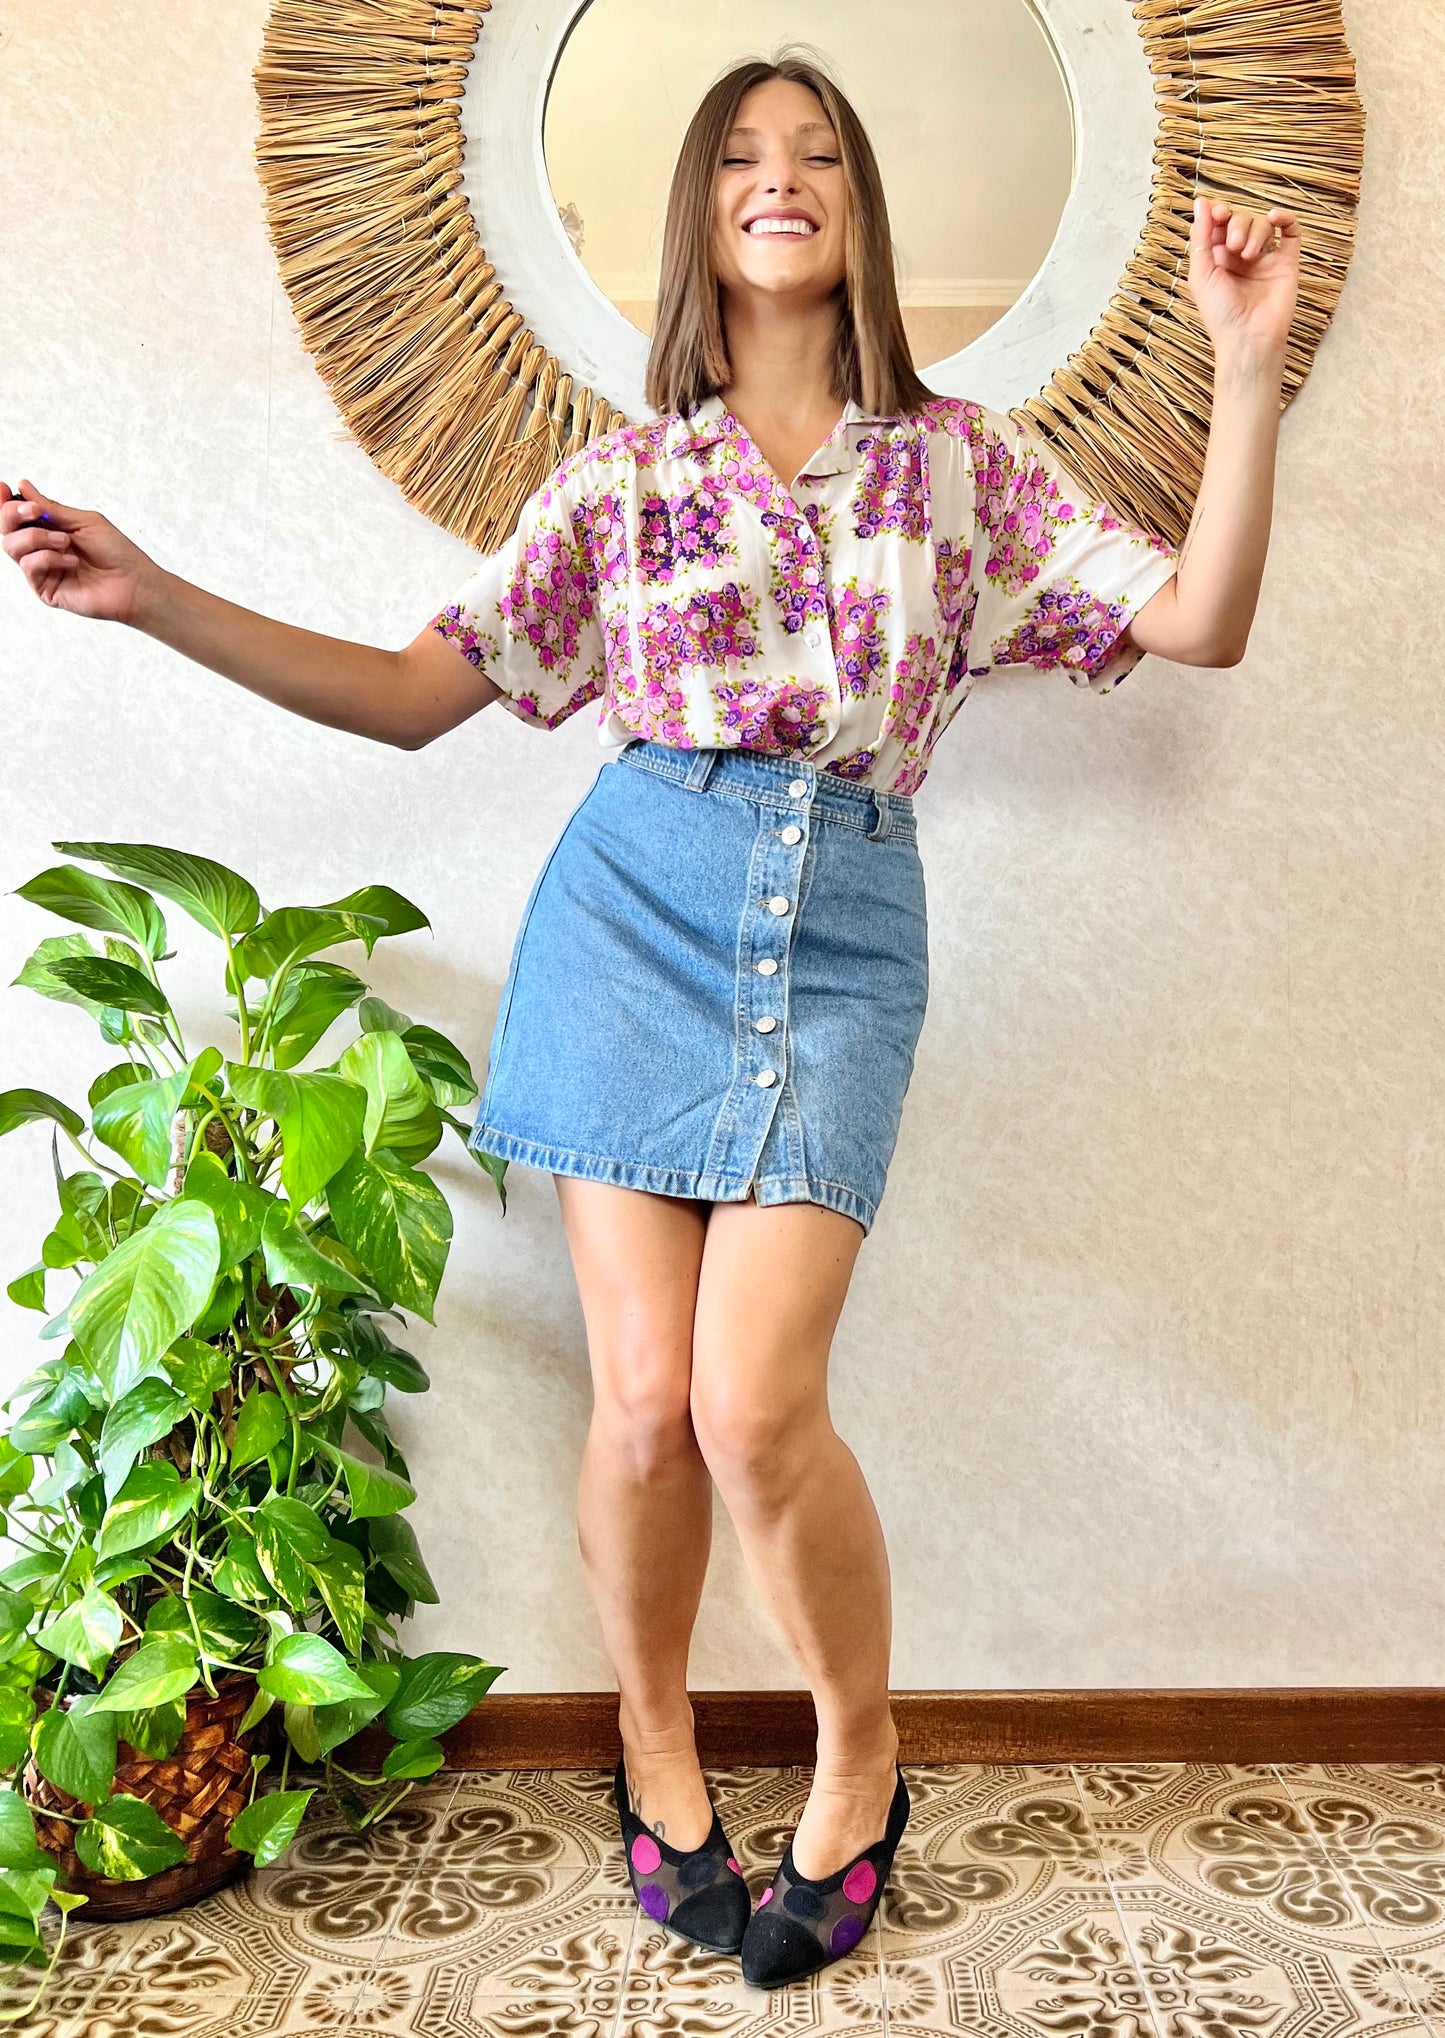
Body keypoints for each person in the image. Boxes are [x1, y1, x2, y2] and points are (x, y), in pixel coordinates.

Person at [2, 46, 1299, 1989]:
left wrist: (1249, 365)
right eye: (742, 158)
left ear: (860, 208)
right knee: (636, 1403)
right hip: (625, 917)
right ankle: (658, 1730)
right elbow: (403, 692)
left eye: (822, 153)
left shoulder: (969, 468)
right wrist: (155, 592)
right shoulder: (617, 488)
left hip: (846, 930)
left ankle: (862, 1748)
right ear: (701, 214)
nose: (782, 177)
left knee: (752, 1404)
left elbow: (1196, 619)